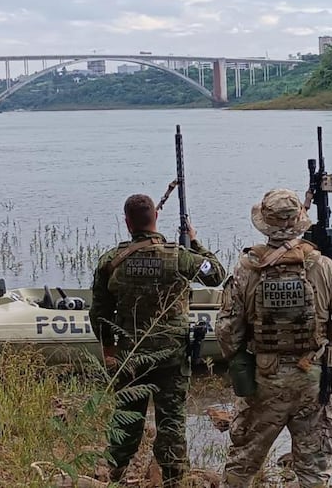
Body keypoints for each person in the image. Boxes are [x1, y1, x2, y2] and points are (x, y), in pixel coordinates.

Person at [216, 188, 332, 488]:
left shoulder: (247, 270)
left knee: (242, 465)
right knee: (314, 471)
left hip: (263, 380)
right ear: (298, 222)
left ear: (265, 224)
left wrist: (243, 362)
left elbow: (227, 332)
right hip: (313, 380)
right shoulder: (322, 266)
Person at [89, 193, 226, 486]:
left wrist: (109, 349)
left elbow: (98, 312)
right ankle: (174, 481)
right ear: (156, 218)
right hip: (171, 357)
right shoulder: (179, 256)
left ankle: (110, 477)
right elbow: (215, 275)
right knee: (171, 423)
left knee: (126, 421)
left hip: (131, 356)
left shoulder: (111, 261)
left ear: (127, 223)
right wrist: (194, 241)